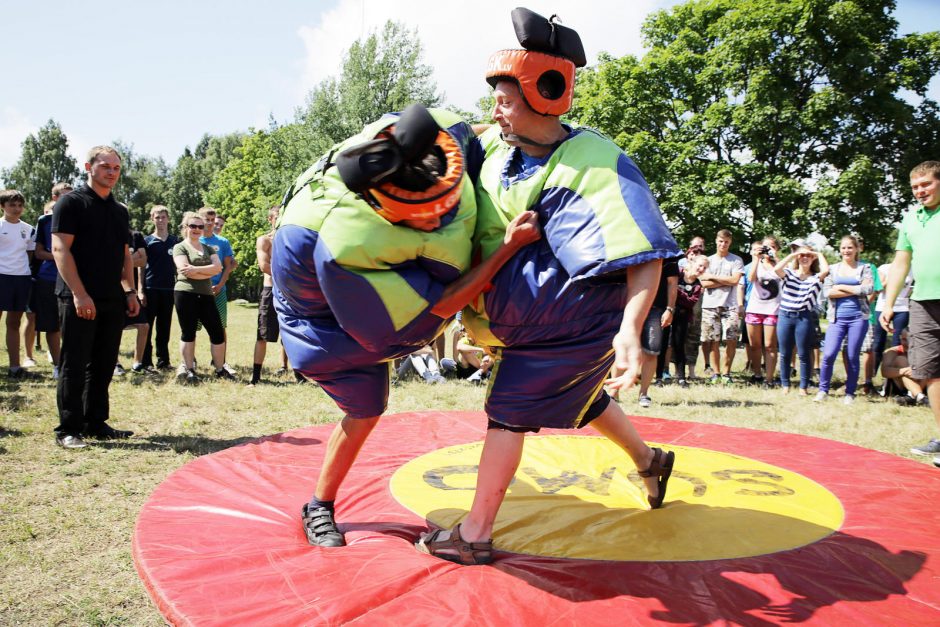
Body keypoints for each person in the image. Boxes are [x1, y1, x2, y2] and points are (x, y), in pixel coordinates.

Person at [416, 9, 681, 566]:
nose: (496, 109)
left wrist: (632, 330)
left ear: (547, 93)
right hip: (516, 328)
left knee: (508, 411)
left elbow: (642, 252)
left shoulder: (594, 162)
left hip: (572, 327)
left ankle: (476, 532)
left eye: (507, 100)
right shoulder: (493, 153)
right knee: (583, 400)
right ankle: (649, 460)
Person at [272, 103, 540, 548]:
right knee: (366, 407)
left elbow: (463, 132)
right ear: (383, 204)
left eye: (445, 207)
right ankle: (318, 505)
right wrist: (506, 249)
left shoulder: (425, 141)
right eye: (425, 218)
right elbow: (431, 314)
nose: (439, 222)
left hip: (369, 280)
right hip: (325, 328)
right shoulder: (347, 250)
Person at [51, 146, 138, 448]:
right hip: (77, 297)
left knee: (104, 362)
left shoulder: (119, 210)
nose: (112, 172)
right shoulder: (70, 204)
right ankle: (68, 429)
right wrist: (79, 294)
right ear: (89, 167)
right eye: (105, 167)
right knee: (74, 362)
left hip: (112, 297)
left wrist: (129, 291)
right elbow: (60, 249)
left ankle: (95, 422)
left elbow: (123, 254)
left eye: (116, 167)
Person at [881, 160, 940, 467]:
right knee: (928, 371)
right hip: (922, 302)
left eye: (926, 184)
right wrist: (890, 302)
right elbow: (901, 263)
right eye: (915, 187)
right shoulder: (910, 219)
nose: (920, 191)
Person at [172, 212, 228, 383]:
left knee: (217, 332)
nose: (197, 229)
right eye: (193, 226)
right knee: (188, 332)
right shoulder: (180, 247)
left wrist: (195, 270)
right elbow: (183, 270)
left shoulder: (209, 248)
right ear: (185, 228)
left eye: (200, 226)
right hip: (185, 293)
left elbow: (218, 268)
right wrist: (207, 270)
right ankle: (189, 369)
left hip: (206, 294)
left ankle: (220, 369)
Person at [817, 235, 873, 404]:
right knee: (828, 354)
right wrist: (855, 289)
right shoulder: (833, 269)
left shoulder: (865, 267)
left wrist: (840, 286)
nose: (846, 251)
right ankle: (823, 390)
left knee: (852, 355)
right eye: (843, 248)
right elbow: (827, 292)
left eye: (850, 247)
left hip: (858, 318)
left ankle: (850, 393)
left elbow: (868, 289)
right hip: (836, 318)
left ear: (856, 249)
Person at [773, 243, 829, 394]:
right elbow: (776, 269)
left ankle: (803, 387)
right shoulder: (790, 273)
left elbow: (826, 270)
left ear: (813, 259)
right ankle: (785, 384)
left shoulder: (816, 278)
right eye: (802, 256)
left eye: (808, 256)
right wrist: (793, 254)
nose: (805, 258)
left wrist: (817, 253)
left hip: (803, 317)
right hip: (785, 315)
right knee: (784, 353)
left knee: (804, 353)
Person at [699, 229, 745, 384]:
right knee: (713, 340)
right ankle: (716, 373)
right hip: (710, 305)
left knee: (731, 339)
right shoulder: (708, 260)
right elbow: (704, 283)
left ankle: (727, 373)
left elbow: (735, 281)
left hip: (730, 305)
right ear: (716, 241)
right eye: (720, 241)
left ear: (730, 242)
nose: (723, 244)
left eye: (726, 241)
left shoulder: (736, 260)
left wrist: (713, 277)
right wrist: (726, 280)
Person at [196, 207, 237, 376]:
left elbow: (229, 266)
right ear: (200, 219)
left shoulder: (222, 242)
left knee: (220, 327)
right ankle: (190, 361)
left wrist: (220, 285)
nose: (211, 224)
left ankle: (221, 361)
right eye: (207, 220)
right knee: (192, 327)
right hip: (197, 290)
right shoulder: (193, 240)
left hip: (218, 290)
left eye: (213, 221)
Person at [0, 189, 35, 378]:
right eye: (12, 205)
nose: (16, 208)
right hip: (1, 276)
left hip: (21, 278)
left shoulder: (28, 229)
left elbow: (29, 254)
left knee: (14, 322)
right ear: (2, 206)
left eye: (20, 205)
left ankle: (14, 367)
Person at [249, 205, 286, 385]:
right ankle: (255, 376)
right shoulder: (264, 240)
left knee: (291, 333)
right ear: (270, 219)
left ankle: (298, 373)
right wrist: (291, 275)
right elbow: (264, 266)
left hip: (290, 292)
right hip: (271, 291)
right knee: (262, 335)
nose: (280, 219)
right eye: (277, 216)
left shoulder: (290, 239)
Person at [140, 205, 179, 371]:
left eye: (163, 217)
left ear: (168, 219)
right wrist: (140, 290)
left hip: (169, 290)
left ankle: (163, 362)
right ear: (152, 219)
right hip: (150, 288)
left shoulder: (175, 242)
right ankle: (146, 361)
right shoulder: (147, 241)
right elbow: (140, 267)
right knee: (147, 327)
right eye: (157, 217)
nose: (161, 220)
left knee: (164, 327)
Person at [637, 257, 679, 407]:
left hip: (656, 309)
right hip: (631, 306)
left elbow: (672, 283)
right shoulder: (634, 246)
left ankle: (644, 394)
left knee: (651, 351)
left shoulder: (670, 254)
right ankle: (614, 394)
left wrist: (670, 309)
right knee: (621, 348)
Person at [31, 200, 63, 379]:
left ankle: (72, 363)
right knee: (52, 325)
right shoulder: (44, 221)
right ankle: (58, 365)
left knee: (74, 325)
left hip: (76, 279)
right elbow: (38, 252)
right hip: (48, 279)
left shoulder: (80, 216)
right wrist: (60, 257)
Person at [745, 236, 782, 386]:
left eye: (771, 246)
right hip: (755, 308)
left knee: (770, 346)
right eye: (765, 246)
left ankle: (769, 378)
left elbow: (785, 275)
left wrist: (775, 258)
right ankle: (757, 374)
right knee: (755, 345)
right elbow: (751, 277)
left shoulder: (780, 264)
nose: (767, 249)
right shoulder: (757, 263)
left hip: (772, 310)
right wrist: (756, 258)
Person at [115, 227, 149, 375]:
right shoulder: (108, 233)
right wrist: (129, 258)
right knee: (113, 328)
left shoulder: (136, 235)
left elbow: (143, 260)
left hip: (131, 290)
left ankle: (137, 363)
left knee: (144, 325)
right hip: (112, 290)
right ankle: (115, 364)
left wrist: (124, 261)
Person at [670, 253, 708, 386]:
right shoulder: (678, 274)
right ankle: (661, 375)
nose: (701, 269)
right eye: (700, 265)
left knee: (680, 345)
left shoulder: (697, 285)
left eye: (704, 268)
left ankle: (681, 377)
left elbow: (690, 302)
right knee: (664, 344)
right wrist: (680, 294)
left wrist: (675, 291)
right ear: (692, 263)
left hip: (683, 316)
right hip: (667, 312)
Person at [881, 330, 928, 406]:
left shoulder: (923, 351)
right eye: (903, 339)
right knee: (901, 360)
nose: (906, 343)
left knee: (929, 367)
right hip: (899, 388)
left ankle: (915, 396)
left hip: (921, 383)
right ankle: (919, 397)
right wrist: (905, 370)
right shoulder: (892, 351)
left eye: (909, 340)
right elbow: (884, 372)